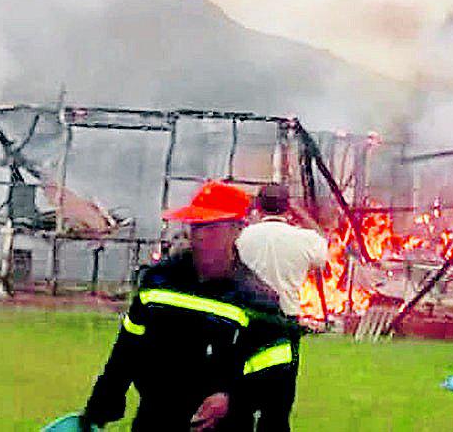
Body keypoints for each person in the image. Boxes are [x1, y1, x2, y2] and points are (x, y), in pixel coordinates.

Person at [81, 181, 298, 431]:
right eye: (196, 226)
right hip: (155, 420)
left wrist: (234, 399)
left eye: (211, 227)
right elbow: (127, 349)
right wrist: (99, 409)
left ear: (237, 229)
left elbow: (276, 376)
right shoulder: (159, 281)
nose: (200, 236)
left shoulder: (256, 300)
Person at [236, 183, 329, 431]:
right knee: (278, 405)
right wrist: (302, 215)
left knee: (239, 399)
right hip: (285, 325)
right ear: (288, 207)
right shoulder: (305, 239)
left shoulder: (242, 237)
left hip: (245, 321)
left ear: (257, 206)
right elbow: (323, 248)